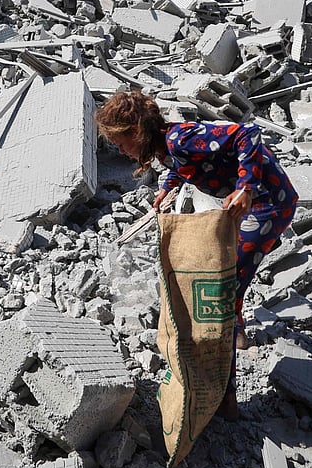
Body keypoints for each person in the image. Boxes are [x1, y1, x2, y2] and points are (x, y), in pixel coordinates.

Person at [95, 89, 299, 420]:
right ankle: (238, 334)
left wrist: (245, 188)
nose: (121, 151)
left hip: (267, 202)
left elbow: (246, 133)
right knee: (229, 278)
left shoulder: (181, 138)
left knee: (222, 288)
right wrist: (166, 188)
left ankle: (224, 395)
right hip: (252, 204)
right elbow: (186, 167)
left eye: (121, 143)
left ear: (135, 130)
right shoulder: (166, 149)